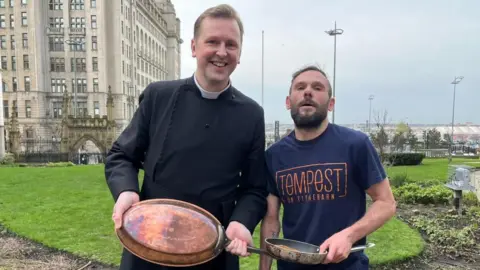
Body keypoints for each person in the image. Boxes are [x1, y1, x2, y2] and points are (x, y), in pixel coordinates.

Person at [105, 4, 268, 270]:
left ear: (239, 53)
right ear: (194, 47)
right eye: (212, 42)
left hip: (215, 252)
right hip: (150, 246)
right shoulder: (158, 96)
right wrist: (126, 191)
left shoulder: (251, 114)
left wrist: (241, 222)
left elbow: (255, 188)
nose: (222, 52)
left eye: (231, 44)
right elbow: (122, 155)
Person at [259, 65, 397, 270]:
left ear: (331, 103)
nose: (307, 91)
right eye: (300, 87)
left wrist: (349, 236)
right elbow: (271, 220)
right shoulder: (274, 155)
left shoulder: (355, 144)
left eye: (317, 87)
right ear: (288, 102)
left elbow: (386, 202)